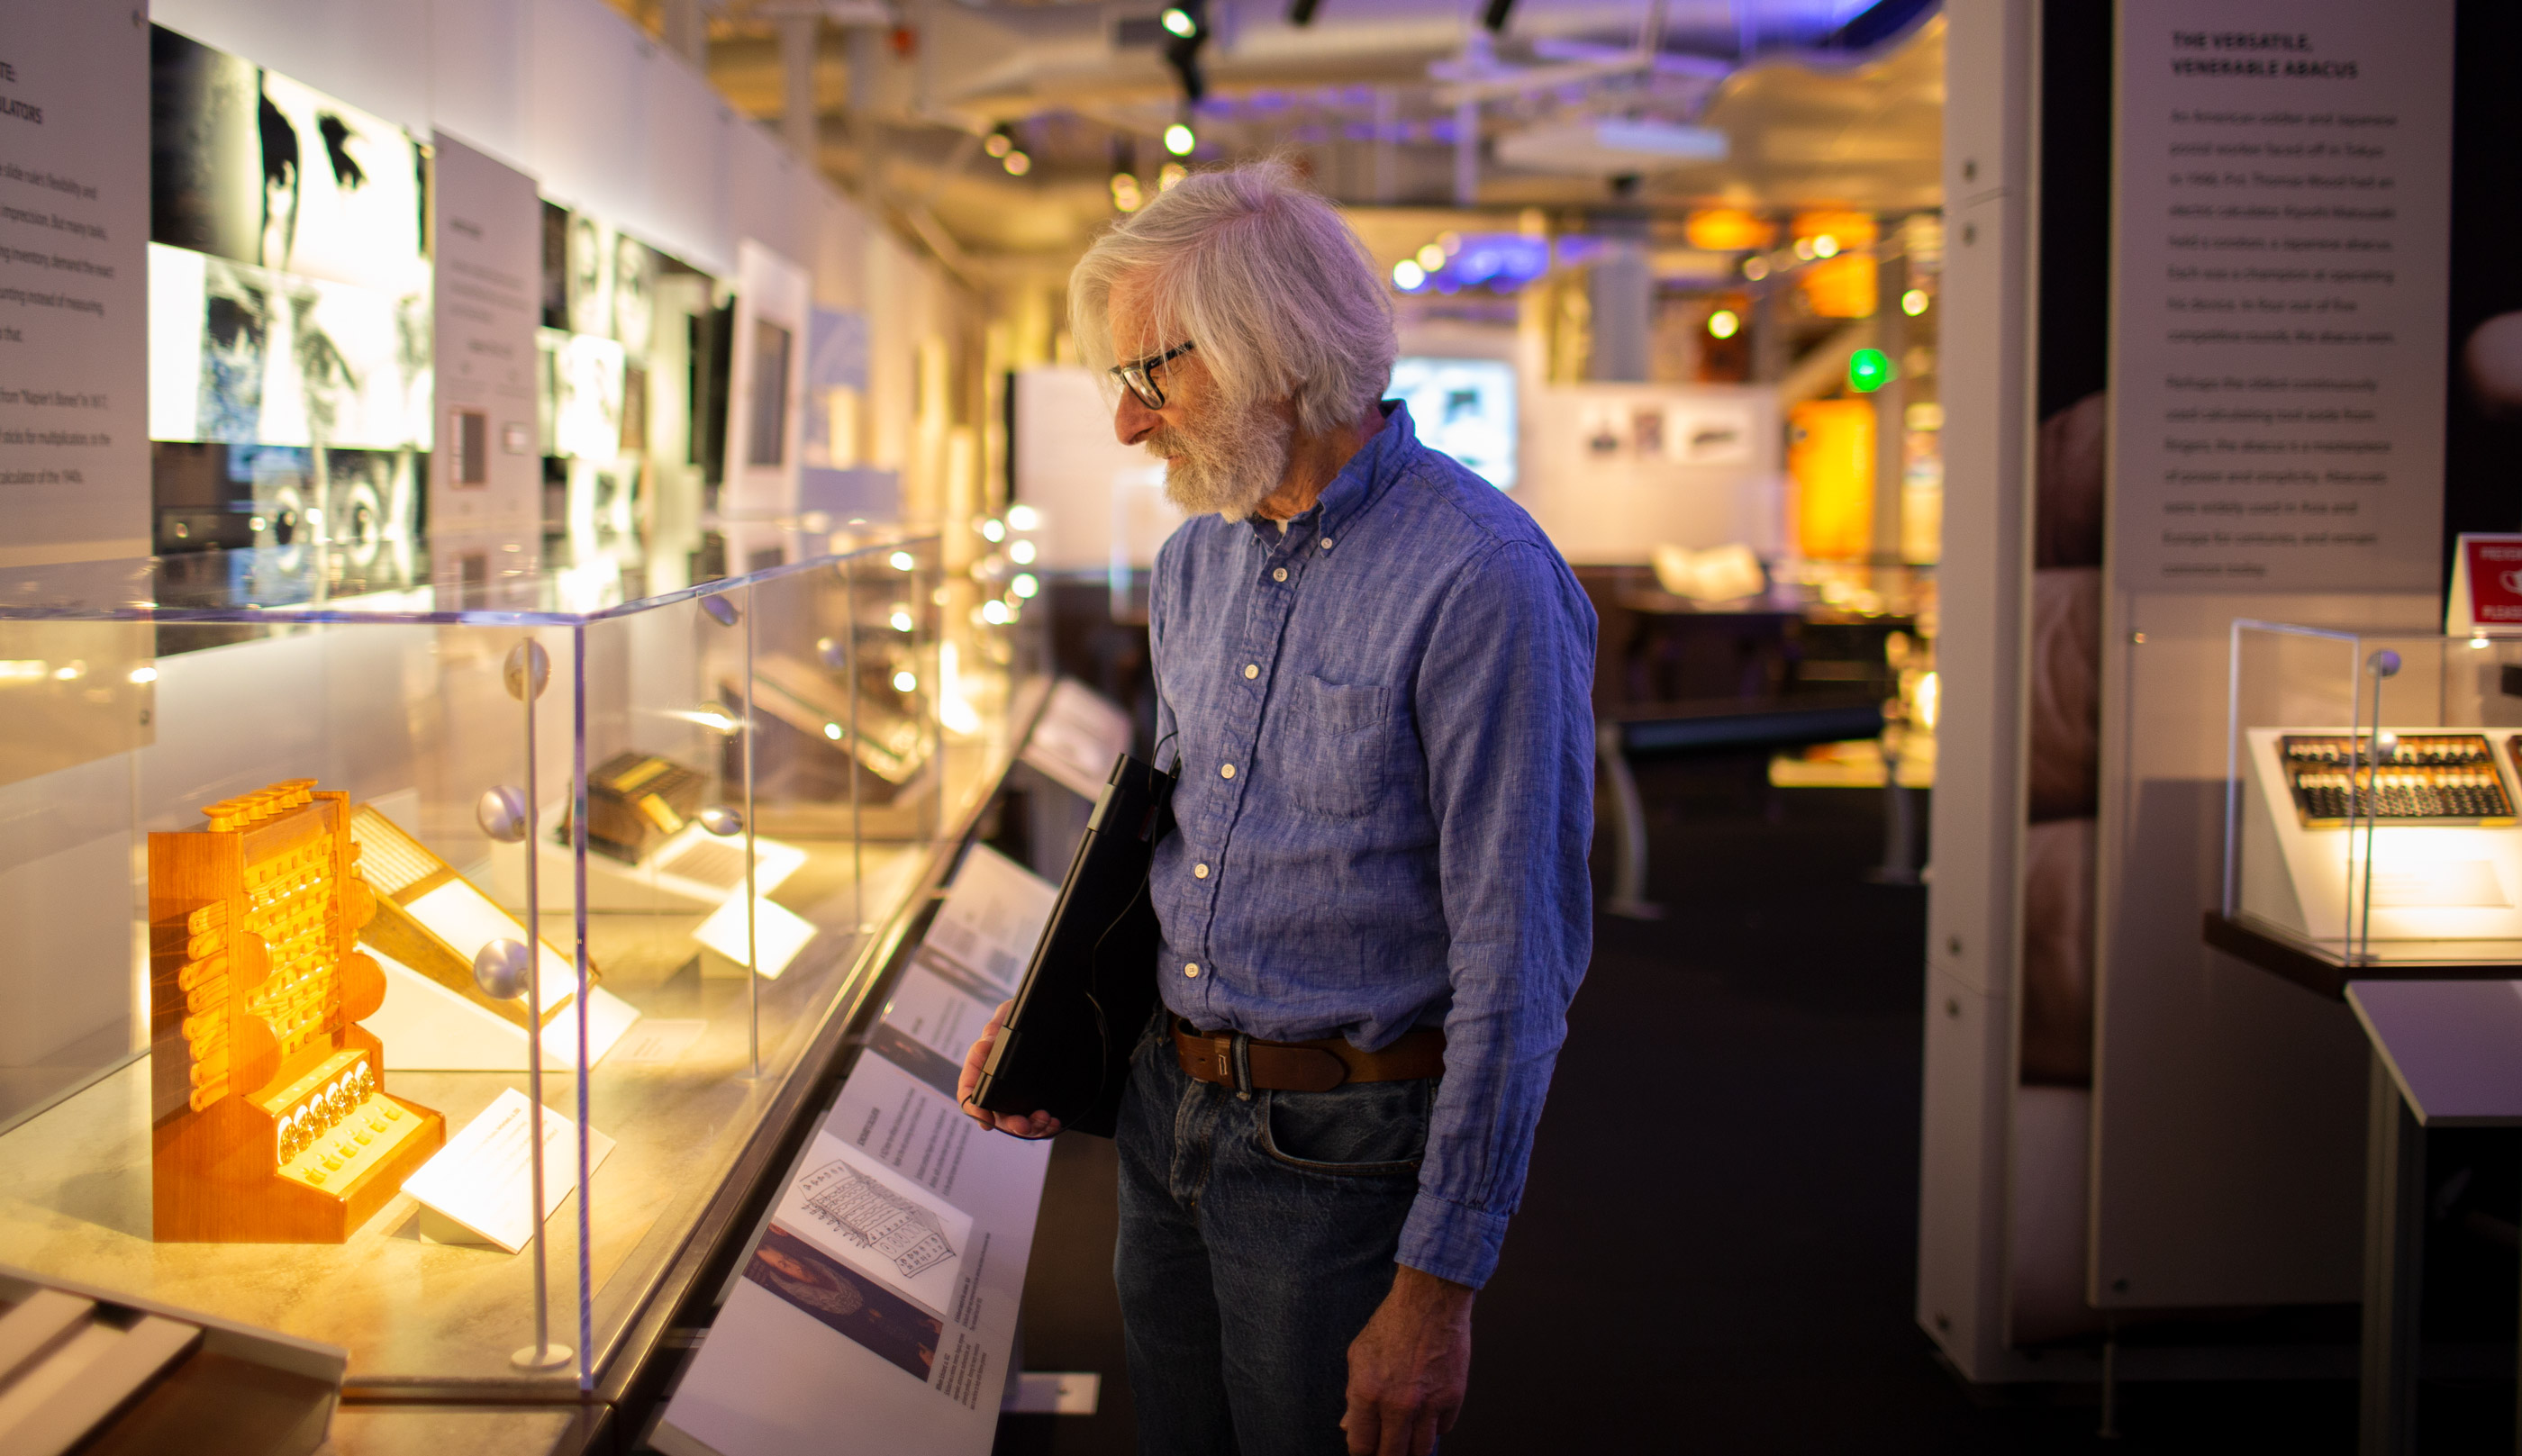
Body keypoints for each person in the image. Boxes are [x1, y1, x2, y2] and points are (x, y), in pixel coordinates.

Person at [958, 158, 1595, 1456]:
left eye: (1156, 375)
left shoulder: (1483, 581)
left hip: (1338, 1162)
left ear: (1279, 349)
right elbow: (1172, 839)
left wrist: (1438, 1288)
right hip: (1163, 1118)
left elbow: (1518, 963)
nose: (1132, 426)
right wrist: (1051, 1021)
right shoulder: (1198, 557)